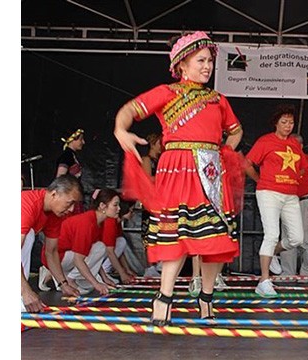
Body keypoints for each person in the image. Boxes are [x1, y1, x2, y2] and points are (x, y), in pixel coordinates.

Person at [113, 30, 244, 325]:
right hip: (178, 168)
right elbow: (129, 110)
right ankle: (164, 297)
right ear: (182, 65)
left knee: (216, 237)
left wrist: (224, 153)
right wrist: (121, 131)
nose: (207, 66)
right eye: (201, 60)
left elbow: (236, 131)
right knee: (178, 234)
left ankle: (206, 297)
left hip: (210, 172)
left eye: (210, 60)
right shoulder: (167, 92)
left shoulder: (218, 99)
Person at [245, 104, 306, 297]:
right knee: (271, 234)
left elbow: (302, 167)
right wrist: (259, 179)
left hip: (291, 195)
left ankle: (272, 253)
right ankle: (264, 281)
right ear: (276, 123)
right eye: (284, 122)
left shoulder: (295, 144)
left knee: (297, 238)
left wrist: (295, 178)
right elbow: (247, 163)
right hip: (268, 192)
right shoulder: (265, 141)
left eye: (291, 122)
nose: (288, 126)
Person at [39, 188, 121, 295]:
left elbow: (93, 256)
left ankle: (65, 276)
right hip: (57, 257)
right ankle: (69, 279)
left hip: (66, 255)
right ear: (102, 206)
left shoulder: (98, 222)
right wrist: (97, 284)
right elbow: (79, 259)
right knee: (100, 247)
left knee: (99, 248)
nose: (119, 209)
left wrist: (104, 278)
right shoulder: (87, 223)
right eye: (115, 205)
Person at [21, 174, 82, 312]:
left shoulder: (55, 214)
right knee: (29, 236)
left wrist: (63, 284)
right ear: (54, 194)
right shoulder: (29, 204)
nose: (72, 209)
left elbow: (51, 252)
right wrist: (26, 292)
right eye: (70, 202)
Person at [279, 133, 308, 282]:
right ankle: (288, 273)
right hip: (288, 202)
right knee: (288, 238)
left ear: (301, 146)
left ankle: (305, 273)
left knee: (307, 239)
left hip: (305, 201)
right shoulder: (283, 161)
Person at [140, 132, 163, 277]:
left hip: (162, 201)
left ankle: (160, 261)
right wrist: (165, 177)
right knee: (149, 233)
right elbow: (147, 180)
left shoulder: (161, 159)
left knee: (162, 231)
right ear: (153, 143)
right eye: (160, 143)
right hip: (150, 201)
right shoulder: (147, 160)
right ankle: (149, 266)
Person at [100, 197, 138, 284]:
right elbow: (110, 251)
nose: (133, 214)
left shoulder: (117, 223)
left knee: (121, 241)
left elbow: (119, 251)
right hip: (94, 254)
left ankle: (105, 272)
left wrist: (127, 270)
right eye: (131, 211)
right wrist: (122, 273)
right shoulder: (110, 222)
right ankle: (104, 273)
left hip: (102, 253)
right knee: (121, 241)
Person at [55, 128, 86, 213]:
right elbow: (60, 177)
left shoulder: (72, 156)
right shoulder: (66, 156)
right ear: (72, 140)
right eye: (81, 139)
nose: (83, 142)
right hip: (69, 198)